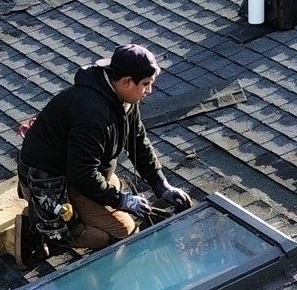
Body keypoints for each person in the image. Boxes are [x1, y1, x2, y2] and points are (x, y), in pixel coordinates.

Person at [18, 46, 191, 255]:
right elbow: (83, 174)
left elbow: (137, 140)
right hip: (55, 182)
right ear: (127, 81)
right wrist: (121, 200)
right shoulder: (92, 116)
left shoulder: (123, 98)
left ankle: (85, 211)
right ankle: (40, 231)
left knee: (118, 192)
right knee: (124, 232)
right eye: (146, 84)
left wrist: (160, 184)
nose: (150, 90)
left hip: (83, 171)